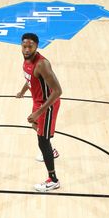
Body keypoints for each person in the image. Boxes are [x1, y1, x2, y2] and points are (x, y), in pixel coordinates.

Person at [15, 33, 63, 192]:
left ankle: (53, 180)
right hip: (38, 102)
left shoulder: (42, 64)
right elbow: (30, 78)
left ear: (37, 46)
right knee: (35, 127)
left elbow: (57, 91)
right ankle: (51, 150)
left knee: (42, 141)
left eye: (30, 46)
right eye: (24, 46)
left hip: (48, 104)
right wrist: (22, 91)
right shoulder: (26, 59)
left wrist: (38, 112)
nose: (27, 49)